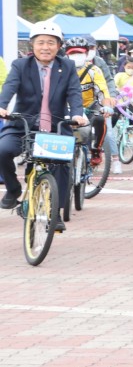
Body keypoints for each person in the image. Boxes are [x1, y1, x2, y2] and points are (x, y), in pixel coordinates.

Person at [0, 22, 89, 224]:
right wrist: (2, 106)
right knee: (3, 150)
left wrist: (77, 114)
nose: (45, 47)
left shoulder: (66, 66)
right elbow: (9, 87)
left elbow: (74, 93)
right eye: (40, 42)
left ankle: (55, 211)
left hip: (55, 125)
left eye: (51, 42)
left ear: (58, 46)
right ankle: (13, 189)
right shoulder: (20, 65)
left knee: (62, 164)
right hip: (23, 124)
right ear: (32, 45)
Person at [66, 37, 121, 174]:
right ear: (66, 54)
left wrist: (107, 106)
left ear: (86, 54)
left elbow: (102, 90)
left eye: (79, 53)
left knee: (101, 119)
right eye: (72, 53)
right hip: (68, 106)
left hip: (90, 105)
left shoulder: (94, 70)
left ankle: (96, 149)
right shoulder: (62, 69)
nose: (76, 57)